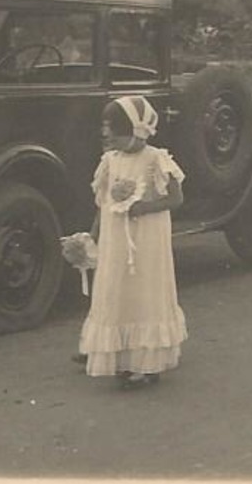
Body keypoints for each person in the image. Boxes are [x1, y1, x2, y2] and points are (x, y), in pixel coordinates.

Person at [76, 96, 187, 390]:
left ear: (138, 130)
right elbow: (103, 203)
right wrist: (92, 236)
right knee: (115, 289)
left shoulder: (155, 159)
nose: (107, 134)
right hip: (116, 242)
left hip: (146, 240)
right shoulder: (110, 161)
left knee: (144, 292)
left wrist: (145, 207)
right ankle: (118, 353)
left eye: (114, 128)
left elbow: (176, 198)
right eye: (105, 127)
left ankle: (147, 362)